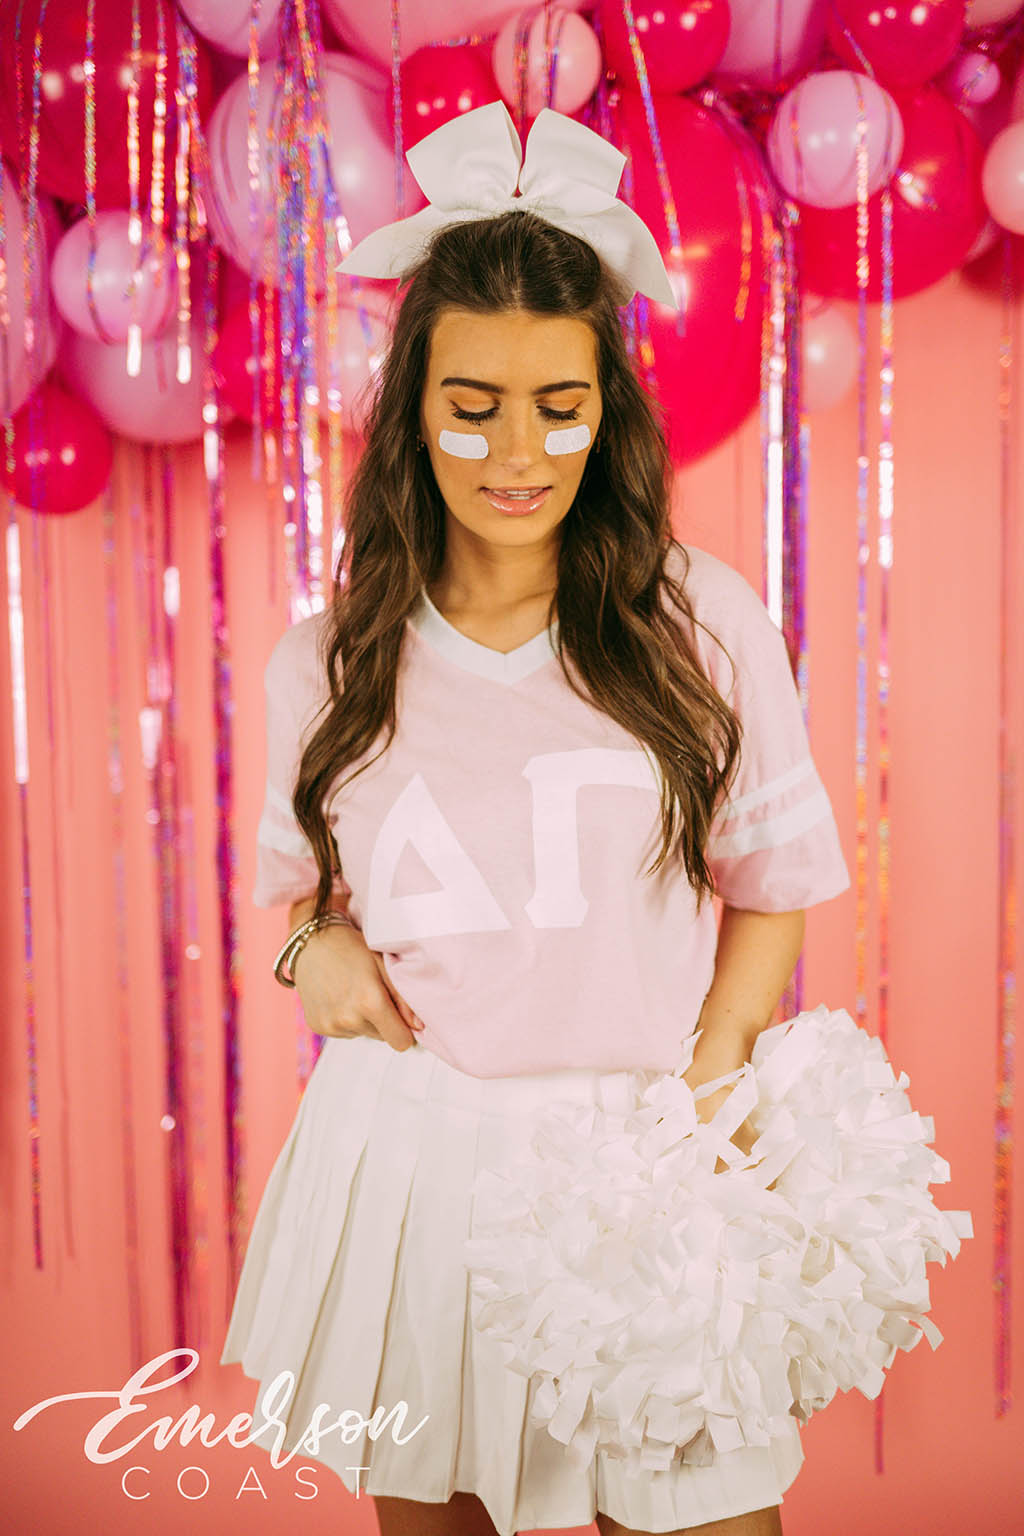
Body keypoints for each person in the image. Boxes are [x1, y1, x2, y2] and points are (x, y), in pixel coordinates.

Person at [219, 102, 851, 1536]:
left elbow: (773, 883)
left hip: (645, 1164)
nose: (519, 450)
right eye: (474, 402)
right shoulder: (324, 661)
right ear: (412, 410)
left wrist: (707, 1085)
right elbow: (309, 886)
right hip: (419, 1166)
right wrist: (314, 944)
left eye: (559, 403)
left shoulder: (703, 623)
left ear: (605, 409)